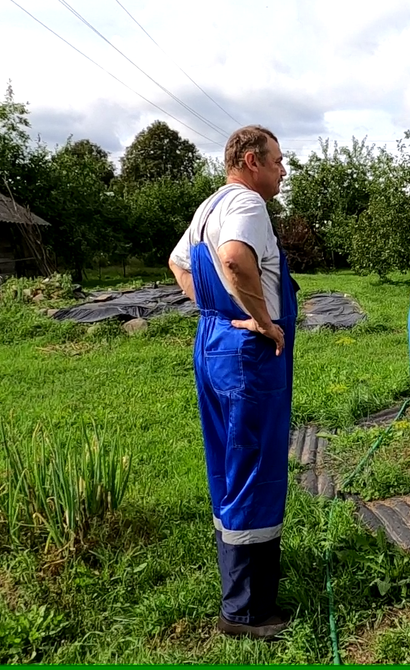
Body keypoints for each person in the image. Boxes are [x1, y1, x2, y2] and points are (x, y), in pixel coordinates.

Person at [167, 125, 298, 640]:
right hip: (248, 353)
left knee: (228, 464)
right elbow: (235, 259)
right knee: (255, 467)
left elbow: (180, 264)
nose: (282, 171)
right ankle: (245, 611)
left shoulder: (208, 207)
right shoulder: (247, 205)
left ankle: (238, 584)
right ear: (250, 161)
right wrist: (262, 320)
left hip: (214, 344)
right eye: (277, 161)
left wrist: (217, 309)